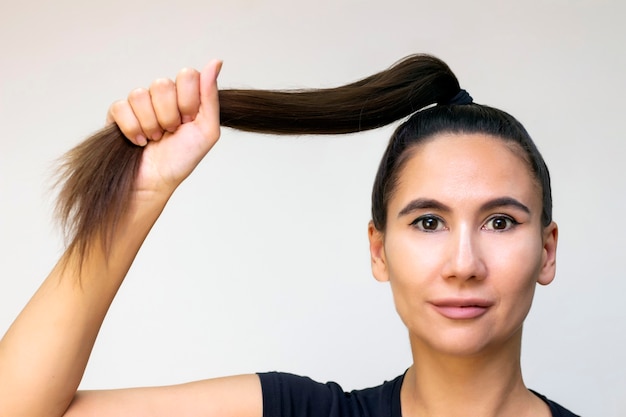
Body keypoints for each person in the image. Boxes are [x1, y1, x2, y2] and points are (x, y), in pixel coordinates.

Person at [0, 56, 580, 417]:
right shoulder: (295, 410)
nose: (463, 262)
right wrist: (142, 193)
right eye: (428, 221)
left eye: (500, 222)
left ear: (546, 251)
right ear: (379, 250)